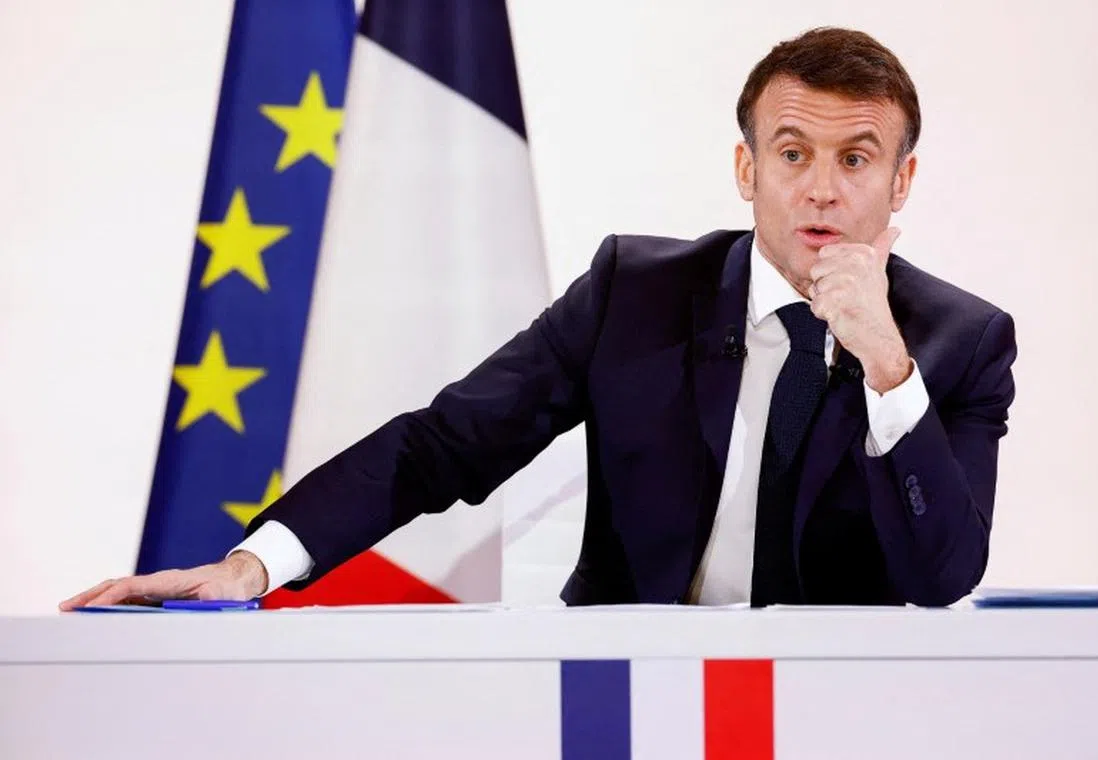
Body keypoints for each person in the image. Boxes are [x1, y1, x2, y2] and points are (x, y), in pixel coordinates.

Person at [62, 26, 1016, 611]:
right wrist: (251, 564)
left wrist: (889, 371)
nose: (821, 190)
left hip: (836, 719)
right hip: (621, 704)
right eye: (793, 151)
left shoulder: (960, 343)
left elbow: (940, 577)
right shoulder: (633, 290)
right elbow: (440, 446)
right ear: (745, 170)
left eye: (856, 159)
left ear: (902, 182)